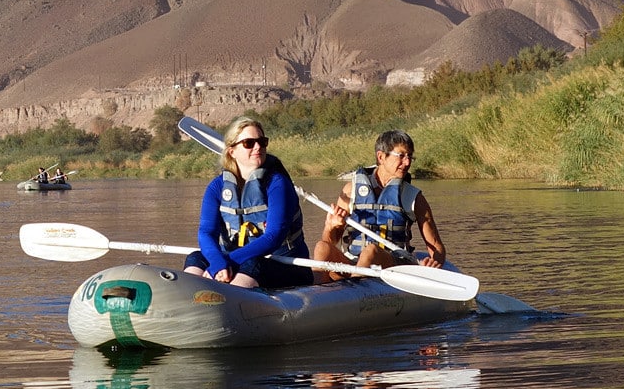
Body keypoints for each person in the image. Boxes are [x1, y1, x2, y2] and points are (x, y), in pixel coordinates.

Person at [184, 116, 313, 289]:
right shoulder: (217, 187)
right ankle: (190, 298)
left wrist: (228, 261)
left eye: (262, 142)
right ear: (232, 151)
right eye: (249, 143)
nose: (258, 147)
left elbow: (273, 237)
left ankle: (226, 299)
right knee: (195, 258)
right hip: (238, 262)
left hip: (286, 266)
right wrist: (217, 261)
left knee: (253, 264)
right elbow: (206, 232)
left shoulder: (277, 184)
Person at [313, 130, 446, 283]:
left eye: (410, 156)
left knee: (371, 251)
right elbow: (330, 241)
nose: (407, 162)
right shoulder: (350, 190)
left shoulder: (414, 197)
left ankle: (356, 289)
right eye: (401, 156)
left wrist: (433, 263)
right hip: (353, 263)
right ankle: (315, 289)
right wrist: (331, 227)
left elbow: (436, 247)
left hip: (394, 265)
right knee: (322, 247)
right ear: (381, 157)